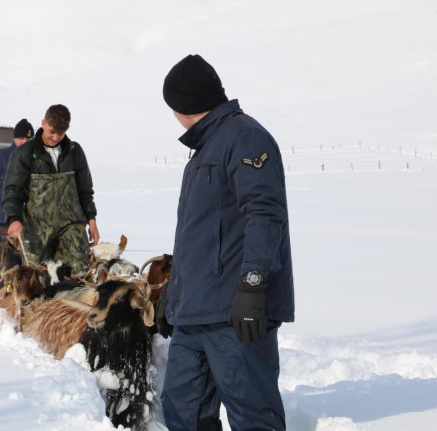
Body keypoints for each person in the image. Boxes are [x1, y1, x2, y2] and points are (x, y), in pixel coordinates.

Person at [158, 54, 294, 431]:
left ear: (183, 105)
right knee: (184, 413)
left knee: (253, 416)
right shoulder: (207, 148)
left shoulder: (244, 138)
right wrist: (174, 292)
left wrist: (253, 285)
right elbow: (199, 237)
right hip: (195, 312)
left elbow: (265, 215)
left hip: (235, 312)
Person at [3, 104, 99, 274]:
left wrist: (91, 219)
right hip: (37, 229)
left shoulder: (74, 151)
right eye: (52, 132)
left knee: (80, 274)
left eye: (60, 133)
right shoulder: (24, 153)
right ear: (43, 123)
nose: (55, 138)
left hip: (71, 226)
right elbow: (12, 190)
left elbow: (85, 190)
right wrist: (14, 218)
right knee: (36, 278)